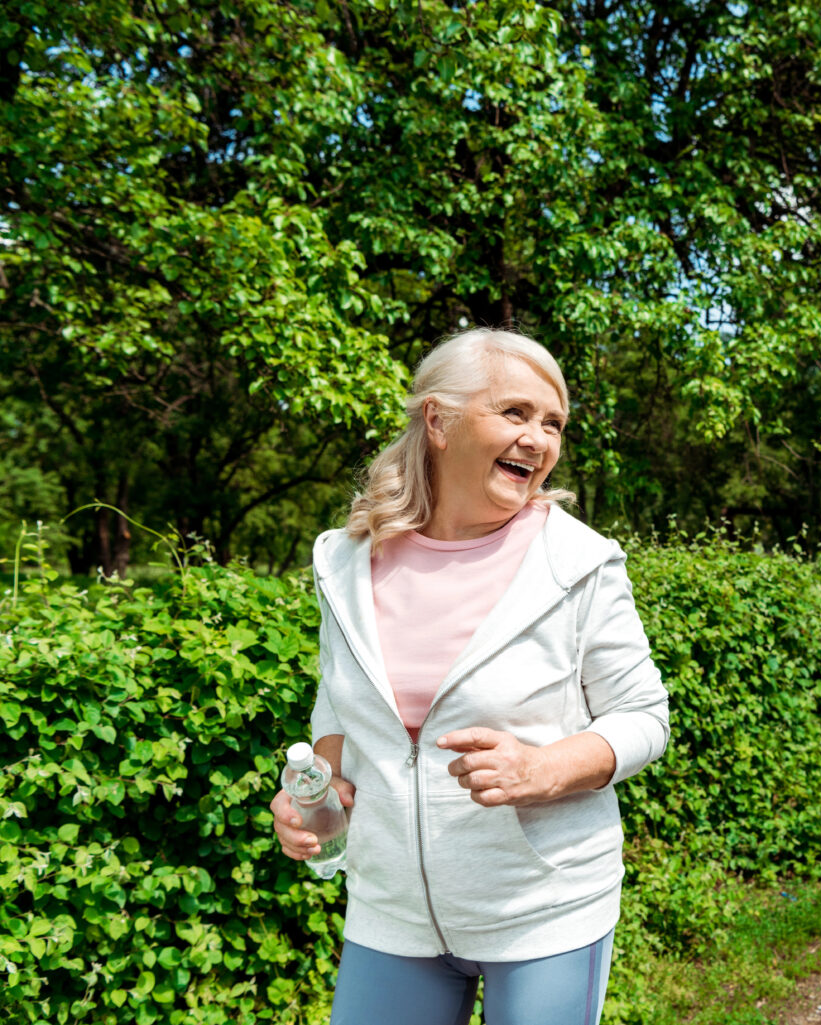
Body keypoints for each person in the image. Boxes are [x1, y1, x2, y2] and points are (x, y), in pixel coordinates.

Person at [270, 328, 669, 1025]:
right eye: (515, 413)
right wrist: (318, 790)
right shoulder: (342, 562)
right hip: (390, 910)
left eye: (553, 424)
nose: (539, 440)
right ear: (438, 420)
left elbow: (644, 716)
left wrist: (544, 769)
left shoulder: (579, 562)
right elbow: (335, 704)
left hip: (544, 909)